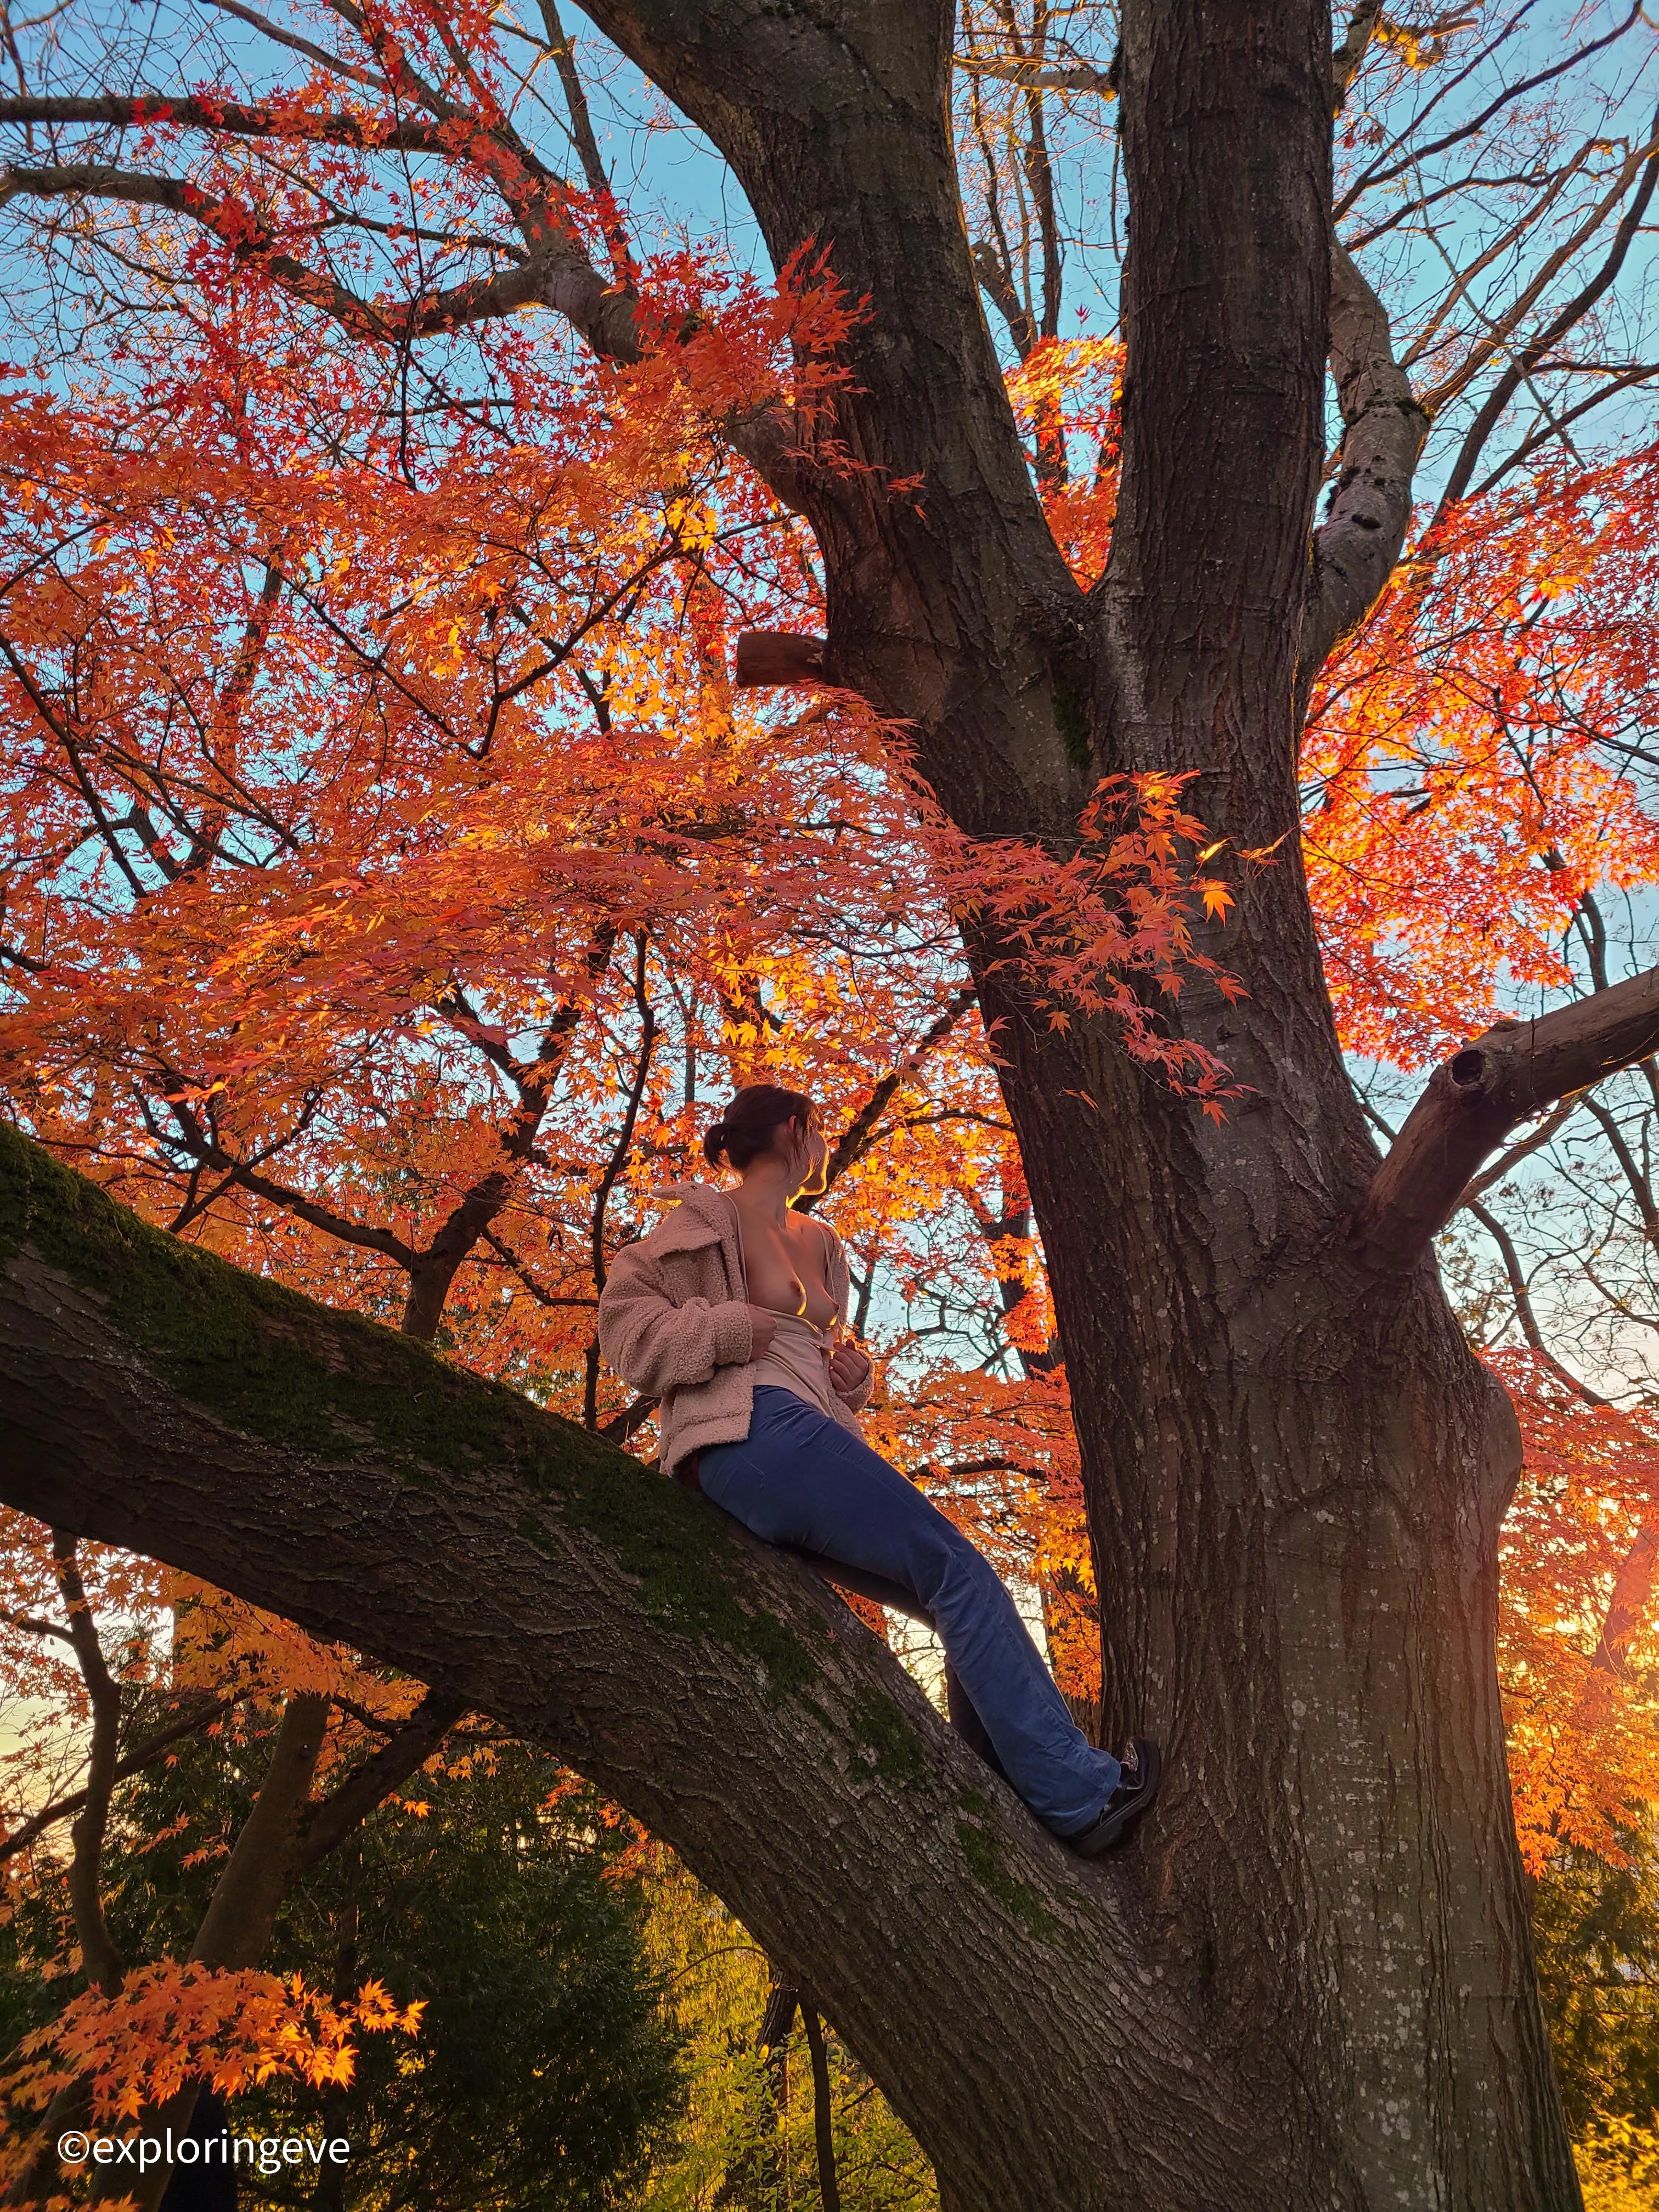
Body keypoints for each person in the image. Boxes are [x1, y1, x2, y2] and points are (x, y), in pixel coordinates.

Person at [596, 1082, 1160, 1858]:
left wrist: (849, 1377)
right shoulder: (700, 1222)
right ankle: (1077, 1792)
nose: (825, 1146)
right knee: (958, 1571)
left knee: (951, 1600)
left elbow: (817, 1356)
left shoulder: (821, 1240)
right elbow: (627, 1337)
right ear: (796, 1132)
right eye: (819, 1131)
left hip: (805, 1440)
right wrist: (731, 1326)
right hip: (747, 1433)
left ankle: (1005, 1807)